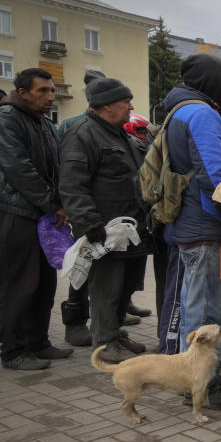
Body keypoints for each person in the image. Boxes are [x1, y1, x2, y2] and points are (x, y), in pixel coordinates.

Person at [161, 53, 221, 408]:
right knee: (206, 311)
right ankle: (200, 385)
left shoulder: (178, 109)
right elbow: (218, 178)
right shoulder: (202, 114)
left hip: (189, 223)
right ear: (214, 83)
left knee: (196, 305)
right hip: (205, 224)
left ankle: (195, 378)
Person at [59, 77, 153, 362]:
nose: (131, 107)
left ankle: (115, 335)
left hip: (130, 229)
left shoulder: (117, 133)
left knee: (125, 288)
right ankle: (105, 343)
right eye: (126, 102)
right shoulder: (83, 135)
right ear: (107, 105)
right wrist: (90, 225)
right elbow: (72, 185)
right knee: (106, 290)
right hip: (105, 231)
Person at [0, 68, 72, 370]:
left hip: (44, 213)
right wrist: (50, 204)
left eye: (52, 91)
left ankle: (38, 341)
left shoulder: (42, 122)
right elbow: (19, 169)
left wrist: (60, 203)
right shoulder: (7, 118)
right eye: (43, 91)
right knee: (20, 283)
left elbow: (55, 168)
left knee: (44, 283)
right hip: (18, 213)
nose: (50, 96)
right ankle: (14, 350)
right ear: (23, 91)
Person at [56, 68, 106, 347]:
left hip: (107, 212)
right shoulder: (73, 126)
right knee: (81, 267)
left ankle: (105, 323)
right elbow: (65, 171)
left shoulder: (113, 125)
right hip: (83, 210)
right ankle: (74, 322)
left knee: (104, 271)